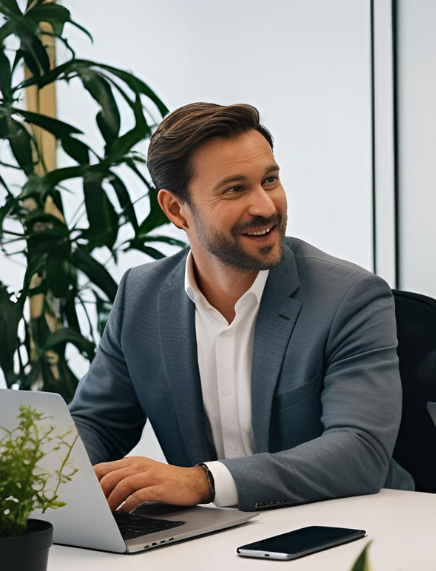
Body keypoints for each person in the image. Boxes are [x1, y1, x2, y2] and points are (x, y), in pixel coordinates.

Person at [68, 102, 414, 513]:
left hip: (352, 529)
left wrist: (204, 481)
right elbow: (93, 424)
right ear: (176, 209)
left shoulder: (351, 297)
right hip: (209, 540)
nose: (266, 206)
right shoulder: (141, 296)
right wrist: (73, 485)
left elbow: (359, 452)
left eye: (270, 180)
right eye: (235, 189)